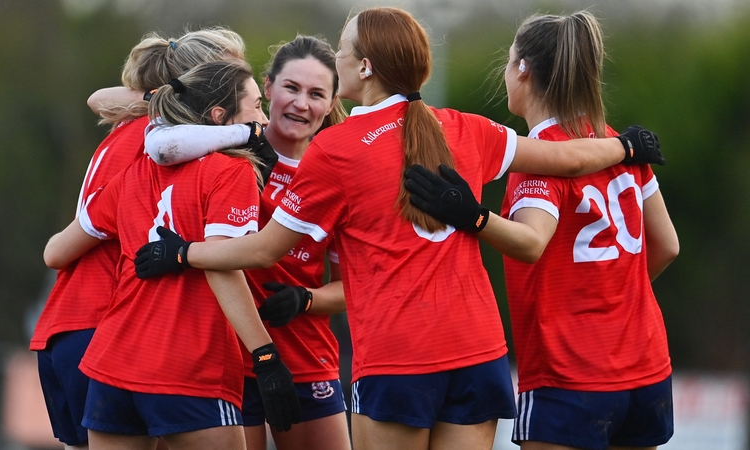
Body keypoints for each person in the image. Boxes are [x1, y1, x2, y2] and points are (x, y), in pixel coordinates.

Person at [132, 7, 666, 450]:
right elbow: (569, 159)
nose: (333, 58)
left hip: (399, 357)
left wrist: (184, 254)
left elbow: (265, 249)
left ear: (364, 67)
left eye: (341, 49)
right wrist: (626, 147)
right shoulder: (465, 126)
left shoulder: (336, 149)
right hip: (479, 353)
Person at [405, 11, 678, 450]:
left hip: (570, 375)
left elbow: (532, 242)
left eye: (510, 60)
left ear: (524, 70)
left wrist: (472, 216)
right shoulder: (619, 144)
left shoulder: (541, 156)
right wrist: (613, 298)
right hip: (646, 368)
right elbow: (668, 245)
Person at [43, 59, 302, 450]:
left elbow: (55, 251)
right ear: (221, 117)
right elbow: (223, 269)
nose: (263, 119)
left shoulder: (132, 174)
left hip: (111, 366)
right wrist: (265, 356)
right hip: (189, 364)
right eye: (255, 106)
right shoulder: (230, 173)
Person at [140, 35, 351, 450]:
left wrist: (305, 299)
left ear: (331, 102)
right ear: (267, 87)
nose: (301, 104)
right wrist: (241, 133)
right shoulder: (227, 153)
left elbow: (352, 287)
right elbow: (158, 139)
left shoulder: (337, 173)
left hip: (307, 357)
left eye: (316, 94)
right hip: (226, 359)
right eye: (291, 88)